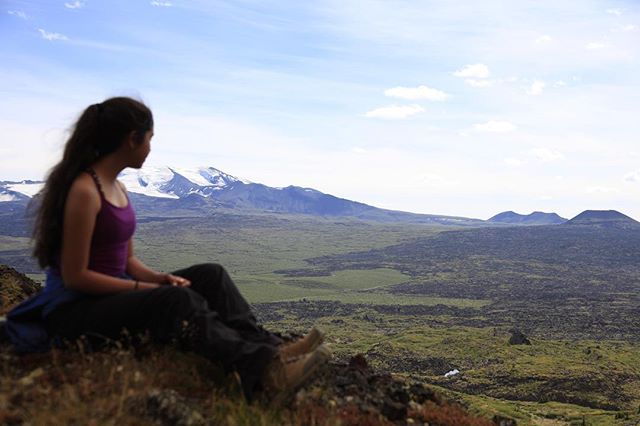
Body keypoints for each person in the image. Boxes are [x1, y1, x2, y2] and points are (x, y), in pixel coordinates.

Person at [5, 96, 329, 401]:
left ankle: (271, 350)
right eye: (149, 138)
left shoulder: (117, 188)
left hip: (111, 297)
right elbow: (75, 278)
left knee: (209, 276)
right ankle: (264, 374)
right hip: (75, 312)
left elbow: (128, 260)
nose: (150, 147)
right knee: (176, 300)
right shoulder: (85, 191)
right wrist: (143, 288)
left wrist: (159, 278)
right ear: (132, 139)